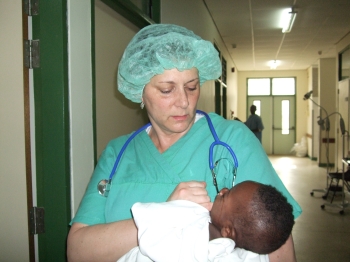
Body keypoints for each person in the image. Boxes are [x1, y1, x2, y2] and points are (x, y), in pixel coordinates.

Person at [67, 24, 301, 262]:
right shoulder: (117, 154)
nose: (184, 102)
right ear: (140, 91)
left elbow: (277, 244)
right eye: (167, 90)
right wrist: (164, 216)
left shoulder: (233, 140)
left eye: (192, 87)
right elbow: (78, 251)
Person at [118, 181, 294, 262]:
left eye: (227, 196)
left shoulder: (191, 226)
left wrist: (176, 205)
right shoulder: (256, 252)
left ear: (227, 231)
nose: (222, 190)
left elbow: (150, 224)